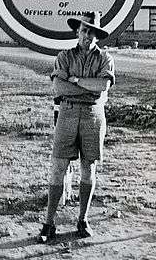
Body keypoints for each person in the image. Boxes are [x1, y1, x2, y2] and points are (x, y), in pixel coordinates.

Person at [38, 12, 115, 243]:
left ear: (96, 35)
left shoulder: (105, 58)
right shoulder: (64, 56)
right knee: (58, 168)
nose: (87, 35)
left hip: (93, 116)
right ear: (77, 32)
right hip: (68, 113)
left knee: (88, 169)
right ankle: (49, 224)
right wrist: (87, 90)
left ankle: (82, 220)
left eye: (91, 32)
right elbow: (59, 88)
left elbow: (102, 87)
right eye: (83, 30)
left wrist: (77, 81)